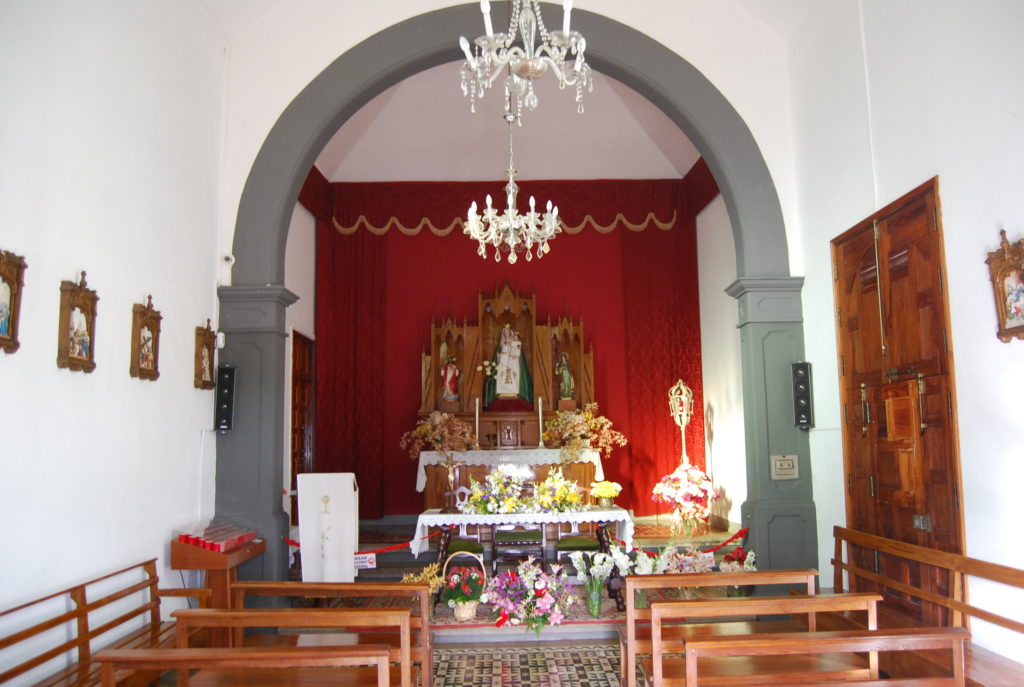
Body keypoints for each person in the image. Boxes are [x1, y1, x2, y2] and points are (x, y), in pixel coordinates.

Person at [483, 324, 533, 408]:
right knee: (502, 375)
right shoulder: (502, 343)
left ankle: (514, 392)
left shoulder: (514, 340)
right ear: (503, 334)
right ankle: (502, 392)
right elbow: (500, 352)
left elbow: (518, 349)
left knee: (513, 376)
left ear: (510, 333)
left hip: (512, 362)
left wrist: (515, 349)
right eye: (505, 332)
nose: (506, 334)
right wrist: (499, 355)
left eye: (507, 332)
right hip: (504, 361)